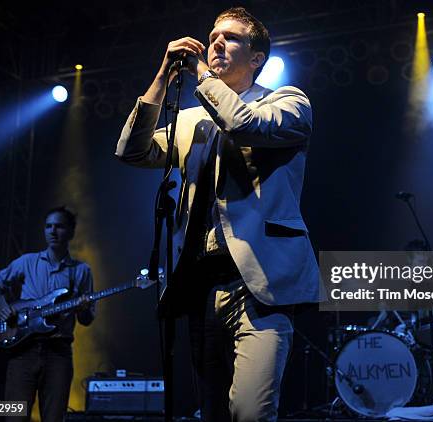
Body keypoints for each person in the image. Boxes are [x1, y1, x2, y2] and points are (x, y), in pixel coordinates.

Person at [115, 7, 319, 421]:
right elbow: (131, 151)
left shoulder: (289, 102)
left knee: (250, 411)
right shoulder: (192, 120)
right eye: (212, 37)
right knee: (209, 412)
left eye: (230, 37)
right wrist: (162, 78)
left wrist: (203, 76)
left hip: (261, 281)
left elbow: (242, 125)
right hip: (201, 283)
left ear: (257, 57)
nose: (216, 43)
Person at [0, 206, 95, 422]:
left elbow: (87, 319)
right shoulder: (28, 261)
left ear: (71, 232)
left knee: (54, 418)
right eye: (48, 226)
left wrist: (83, 310)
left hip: (58, 353)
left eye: (59, 226)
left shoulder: (81, 271)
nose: (52, 231)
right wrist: (2, 306)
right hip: (23, 353)